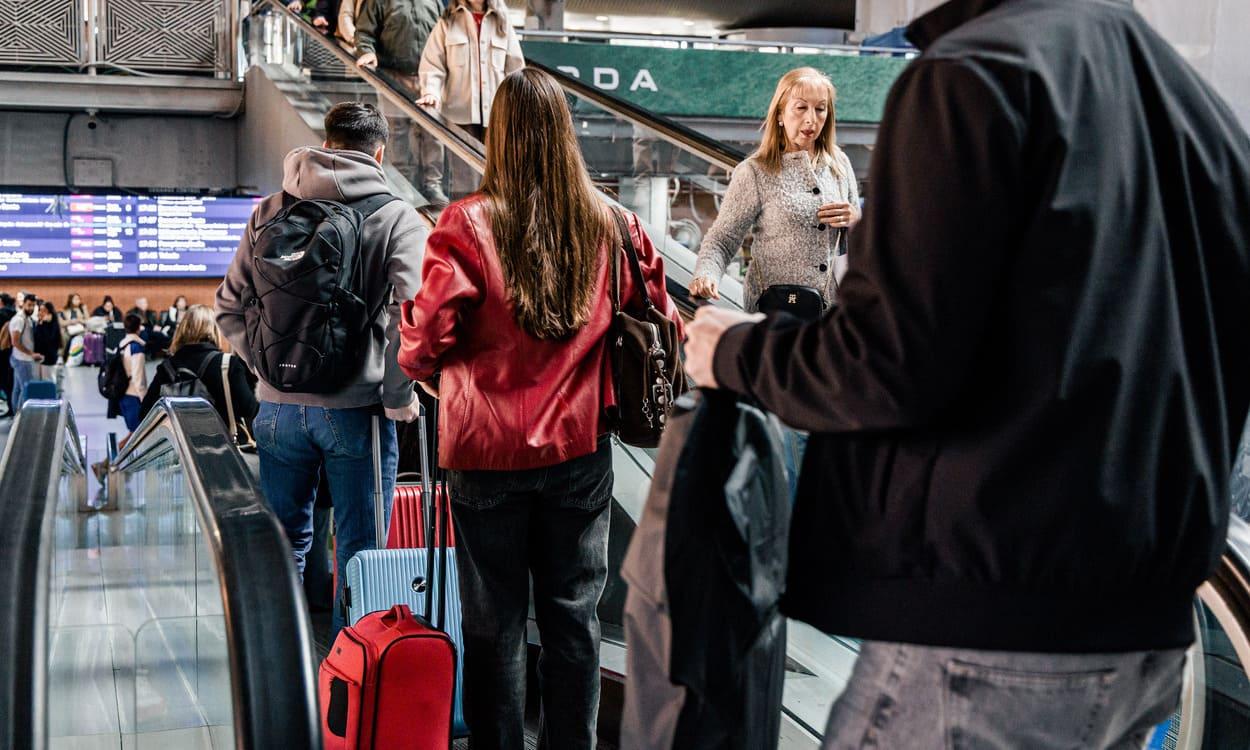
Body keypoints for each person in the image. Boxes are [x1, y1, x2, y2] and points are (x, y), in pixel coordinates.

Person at [682, 0, 1250, 746]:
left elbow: (887, 360)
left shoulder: (972, 77)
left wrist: (731, 351)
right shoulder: (1198, 109)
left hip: (989, 627)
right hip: (1148, 628)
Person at [398, 68, 682, 750]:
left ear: (498, 141)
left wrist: (434, 372)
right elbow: (663, 322)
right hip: (581, 456)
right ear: (566, 137)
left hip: (484, 459)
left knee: (494, 625)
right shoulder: (614, 224)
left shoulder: (465, 223)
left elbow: (424, 340)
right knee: (574, 620)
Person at [216, 101, 426, 638]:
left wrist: (270, 370)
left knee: (283, 541)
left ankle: (275, 666)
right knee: (360, 551)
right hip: (357, 411)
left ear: (326, 143)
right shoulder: (396, 215)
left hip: (276, 413)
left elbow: (227, 306)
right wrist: (398, 393)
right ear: (380, 152)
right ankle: (345, 680)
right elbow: (416, 311)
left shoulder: (270, 209)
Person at [690, 67, 860, 311]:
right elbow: (722, 238)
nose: (811, 119)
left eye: (820, 109)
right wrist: (705, 274)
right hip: (773, 312)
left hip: (831, 315)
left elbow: (865, 239)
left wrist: (855, 219)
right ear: (780, 114)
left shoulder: (839, 164)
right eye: (801, 108)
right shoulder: (755, 171)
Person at [415, 0, 524, 194]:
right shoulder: (448, 21)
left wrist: (516, 105)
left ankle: (494, 219)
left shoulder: (502, 21)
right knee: (464, 178)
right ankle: (465, 221)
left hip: (496, 114)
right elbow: (433, 64)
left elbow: (515, 69)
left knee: (498, 173)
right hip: (460, 114)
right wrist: (431, 91)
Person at [354, 0, 444, 202]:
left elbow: (444, 36)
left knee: (434, 135)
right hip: (392, 76)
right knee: (396, 133)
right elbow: (364, 32)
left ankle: (432, 185)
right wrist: (366, 51)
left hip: (428, 78)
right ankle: (403, 187)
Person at [139, 305, 258, 438]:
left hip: (184, 450)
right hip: (223, 447)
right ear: (214, 329)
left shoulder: (167, 367)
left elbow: (145, 414)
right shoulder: (227, 364)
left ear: (182, 330)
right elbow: (250, 409)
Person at [7, 295, 42, 411]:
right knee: (26, 388)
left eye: (33, 305)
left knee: (17, 388)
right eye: (29, 305)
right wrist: (31, 354)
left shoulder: (27, 319)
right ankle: (21, 414)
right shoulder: (19, 320)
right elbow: (15, 342)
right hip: (22, 359)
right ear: (23, 304)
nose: (31, 308)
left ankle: (16, 413)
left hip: (21, 358)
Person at [114, 314, 147, 432]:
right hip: (134, 394)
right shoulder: (136, 348)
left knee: (133, 431)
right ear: (138, 328)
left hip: (122, 392)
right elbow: (138, 377)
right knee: (138, 432)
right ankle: (120, 449)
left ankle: (120, 448)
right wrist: (144, 398)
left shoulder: (121, 344)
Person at [33, 301, 62, 378]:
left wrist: (45, 322)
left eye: (44, 311)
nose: (40, 313)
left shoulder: (52, 325)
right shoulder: (39, 324)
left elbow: (47, 340)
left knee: (48, 382)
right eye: (40, 310)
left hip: (48, 359)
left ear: (50, 313)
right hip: (39, 358)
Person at [0, 293, 16, 416]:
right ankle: (12, 408)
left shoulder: (2, 314)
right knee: (11, 383)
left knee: (5, 382)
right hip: (13, 352)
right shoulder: (15, 313)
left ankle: (11, 408)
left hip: (2, 353)